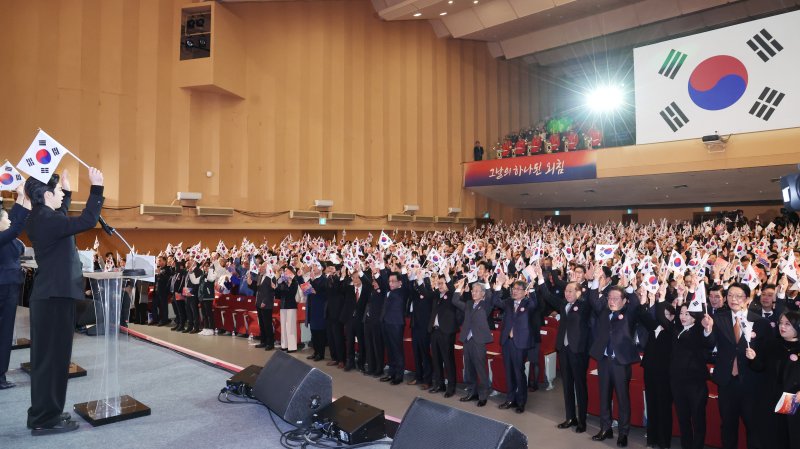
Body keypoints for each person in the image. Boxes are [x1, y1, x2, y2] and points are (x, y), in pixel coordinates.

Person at [25, 167, 104, 435]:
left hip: (51, 297)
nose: (61, 195)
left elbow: (61, 214)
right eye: (58, 191)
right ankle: (46, 419)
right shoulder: (47, 219)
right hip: (55, 298)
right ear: (47, 195)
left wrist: (67, 190)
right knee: (53, 362)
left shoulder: (42, 216)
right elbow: (86, 220)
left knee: (50, 361)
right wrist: (97, 189)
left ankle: (45, 412)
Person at [706, 283, 773, 449]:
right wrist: (707, 331)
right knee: (728, 426)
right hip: (727, 382)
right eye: (730, 295)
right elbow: (709, 344)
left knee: (753, 427)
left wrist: (755, 358)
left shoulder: (760, 323)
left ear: (748, 299)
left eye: (738, 296)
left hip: (751, 383)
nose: (733, 299)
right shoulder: (718, 319)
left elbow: (767, 357)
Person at [589, 279, 641, 448]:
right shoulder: (603, 311)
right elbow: (593, 301)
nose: (611, 301)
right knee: (604, 395)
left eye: (615, 298)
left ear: (624, 300)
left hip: (620, 363)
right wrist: (594, 282)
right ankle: (606, 428)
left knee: (622, 398)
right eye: (609, 298)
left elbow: (635, 302)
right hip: (604, 361)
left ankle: (623, 433)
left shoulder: (630, 312)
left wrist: (629, 287)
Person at [539, 277, 591, 433]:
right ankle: (570, 417)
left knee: (580, 387)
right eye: (566, 291)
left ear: (579, 292)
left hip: (578, 351)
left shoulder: (584, 305)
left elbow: (592, 299)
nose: (567, 293)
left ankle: (582, 421)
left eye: (570, 291)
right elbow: (548, 296)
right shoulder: (563, 304)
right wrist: (541, 278)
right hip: (564, 349)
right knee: (567, 386)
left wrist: (591, 280)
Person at [745, 310, 800, 449]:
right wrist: (753, 359)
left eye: (787, 324)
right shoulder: (772, 344)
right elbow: (759, 367)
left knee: (787, 431)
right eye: (781, 323)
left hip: (791, 397)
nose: (782, 327)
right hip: (770, 394)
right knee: (769, 432)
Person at [490, 276, 540, 414]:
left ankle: (521, 401)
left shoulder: (528, 303)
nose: (515, 291)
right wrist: (499, 287)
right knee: (509, 372)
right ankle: (510, 399)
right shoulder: (508, 302)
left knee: (519, 372)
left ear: (525, 292)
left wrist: (533, 289)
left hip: (520, 343)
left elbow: (535, 304)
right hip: (507, 342)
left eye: (519, 289)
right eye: (514, 289)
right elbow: (495, 301)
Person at [0, 185, 31, 390]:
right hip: (5, 289)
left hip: (9, 287)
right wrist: (24, 203)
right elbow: (16, 227)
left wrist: (21, 197)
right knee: (3, 332)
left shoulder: (7, 239)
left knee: (5, 333)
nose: (9, 219)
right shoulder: (4, 237)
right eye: (5, 217)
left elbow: (14, 222)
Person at [452, 277, 496, 407]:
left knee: (481, 369)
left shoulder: (486, 304)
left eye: (477, 291)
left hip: (479, 341)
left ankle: (483, 395)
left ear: (482, 293)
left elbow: (490, 296)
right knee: (469, 369)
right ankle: (472, 392)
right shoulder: (469, 304)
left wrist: (487, 284)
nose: (474, 293)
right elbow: (455, 300)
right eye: (472, 290)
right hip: (467, 339)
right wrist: (459, 287)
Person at [427, 274, 457, 398]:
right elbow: (426, 293)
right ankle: (439, 384)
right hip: (435, 331)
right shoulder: (436, 296)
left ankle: (451, 387)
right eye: (438, 283)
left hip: (447, 332)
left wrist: (448, 279)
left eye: (442, 283)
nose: (439, 285)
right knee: (436, 359)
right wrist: (419, 279)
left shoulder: (452, 295)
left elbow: (453, 289)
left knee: (448, 360)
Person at [276, 266, 299, 352]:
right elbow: (279, 294)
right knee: (283, 326)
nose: (285, 272)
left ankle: (292, 347)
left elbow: (292, 293)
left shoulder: (294, 281)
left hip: (291, 306)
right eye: (284, 271)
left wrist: (289, 284)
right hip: (283, 305)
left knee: (290, 327)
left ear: (291, 272)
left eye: (286, 271)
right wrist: (276, 286)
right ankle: (284, 345)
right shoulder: (283, 281)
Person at [253, 263, 276, 349]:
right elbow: (257, 289)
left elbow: (272, 292)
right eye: (260, 268)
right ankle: (263, 341)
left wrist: (265, 301)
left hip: (267, 304)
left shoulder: (271, 277)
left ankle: (270, 343)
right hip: (258, 303)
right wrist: (250, 283)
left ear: (266, 268)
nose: (259, 269)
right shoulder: (260, 276)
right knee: (262, 324)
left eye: (262, 267)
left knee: (267, 324)